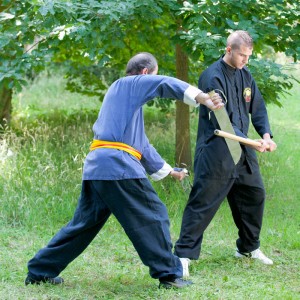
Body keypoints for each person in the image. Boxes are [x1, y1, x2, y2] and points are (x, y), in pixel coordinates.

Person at [25, 52, 223, 289]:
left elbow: (141, 146)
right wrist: (202, 97)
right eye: (153, 74)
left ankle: (40, 270)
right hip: (117, 166)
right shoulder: (128, 84)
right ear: (145, 73)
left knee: (83, 225)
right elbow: (162, 84)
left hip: (99, 167)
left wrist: (170, 171)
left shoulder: (123, 101)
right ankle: (169, 275)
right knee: (154, 214)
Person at [174, 30, 277, 273]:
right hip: (216, 152)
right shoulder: (212, 77)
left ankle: (247, 247)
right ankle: (182, 256)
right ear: (229, 50)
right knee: (203, 203)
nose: (245, 60)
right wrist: (253, 143)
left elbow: (258, 108)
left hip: (243, 152)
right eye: (242, 55)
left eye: (248, 56)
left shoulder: (246, 75)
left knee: (254, 194)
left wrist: (265, 136)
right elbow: (223, 121)